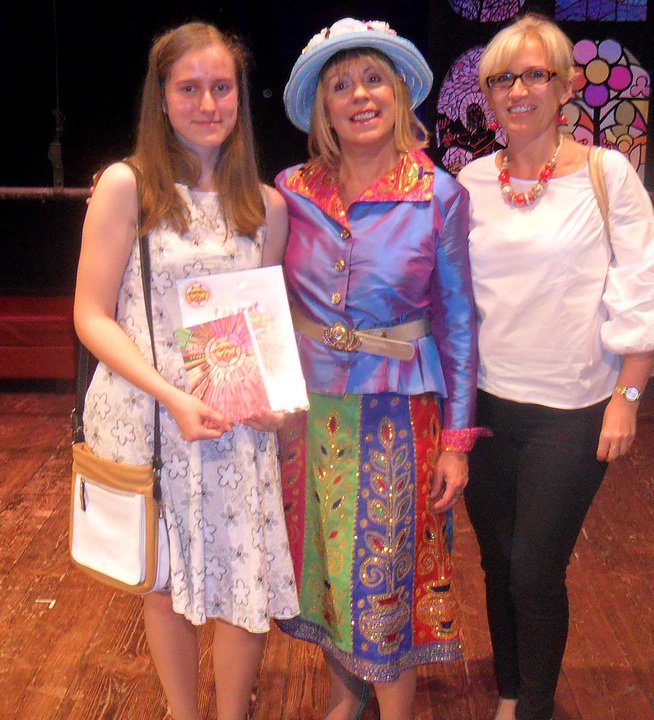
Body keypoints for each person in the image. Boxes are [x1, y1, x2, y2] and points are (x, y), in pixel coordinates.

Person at [456, 14, 654, 720]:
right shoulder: (469, 181)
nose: (519, 90)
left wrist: (628, 396)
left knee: (535, 569)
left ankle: (534, 705)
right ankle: (509, 693)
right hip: (485, 406)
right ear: (488, 94)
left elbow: (648, 283)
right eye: (503, 78)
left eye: (535, 74)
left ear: (564, 85)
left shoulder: (606, 173)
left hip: (573, 410)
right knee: (496, 564)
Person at [72, 22, 297, 720]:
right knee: (163, 581)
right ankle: (183, 712)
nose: (207, 103)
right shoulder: (127, 186)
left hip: (233, 420)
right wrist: (170, 395)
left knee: (244, 581)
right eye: (190, 88)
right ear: (162, 97)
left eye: (221, 87)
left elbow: (259, 325)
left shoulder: (267, 206)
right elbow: (91, 315)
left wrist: (274, 401)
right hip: (152, 416)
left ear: (240, 97)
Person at [274, 17, 482, 720]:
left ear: (398, 94)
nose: (359, 95)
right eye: (340, 85)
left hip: (398, 416)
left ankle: (394, 711)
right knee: (325, 570)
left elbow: (458, 323)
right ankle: (345, 696)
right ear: (322, 107)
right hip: (306, 413)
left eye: (372, 80)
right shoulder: (290, 190)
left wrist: (457, 440)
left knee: (386, 573)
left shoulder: (438, 194)